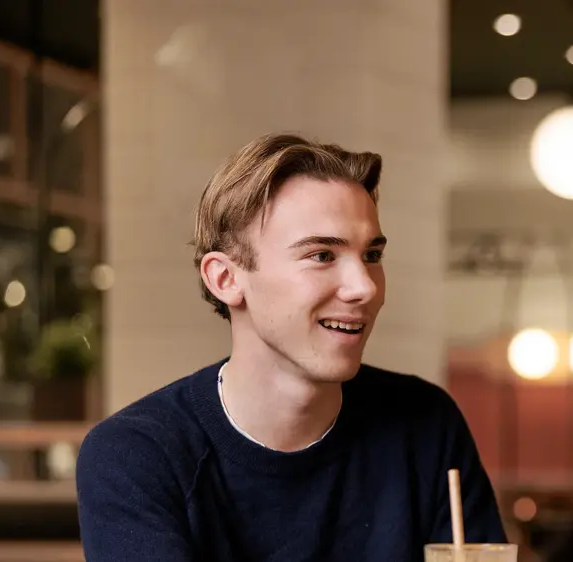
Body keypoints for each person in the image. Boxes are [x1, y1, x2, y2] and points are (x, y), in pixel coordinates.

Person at [76, 134, 506, 561]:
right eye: (322, 256)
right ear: (226, 279)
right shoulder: (135, 455)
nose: (365, 287)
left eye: (372, 256)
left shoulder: (426, 423)